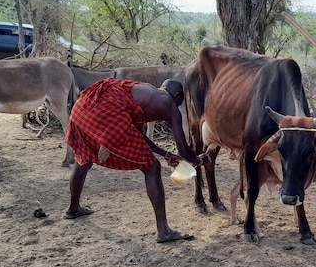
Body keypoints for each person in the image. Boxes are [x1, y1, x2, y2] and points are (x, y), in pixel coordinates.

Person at [65, 77, 209, 243]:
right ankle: (163, 231)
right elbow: (184, 150)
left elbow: (137, 135)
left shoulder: (143, 92)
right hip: (104, 113)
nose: (174, 110)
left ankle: (73, 208)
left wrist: (165, 154)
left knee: (84, 159)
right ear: (176, 96)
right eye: (178, 104)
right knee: (152, 168)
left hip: (82, 109)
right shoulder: (168, 103)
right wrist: (198, 161)